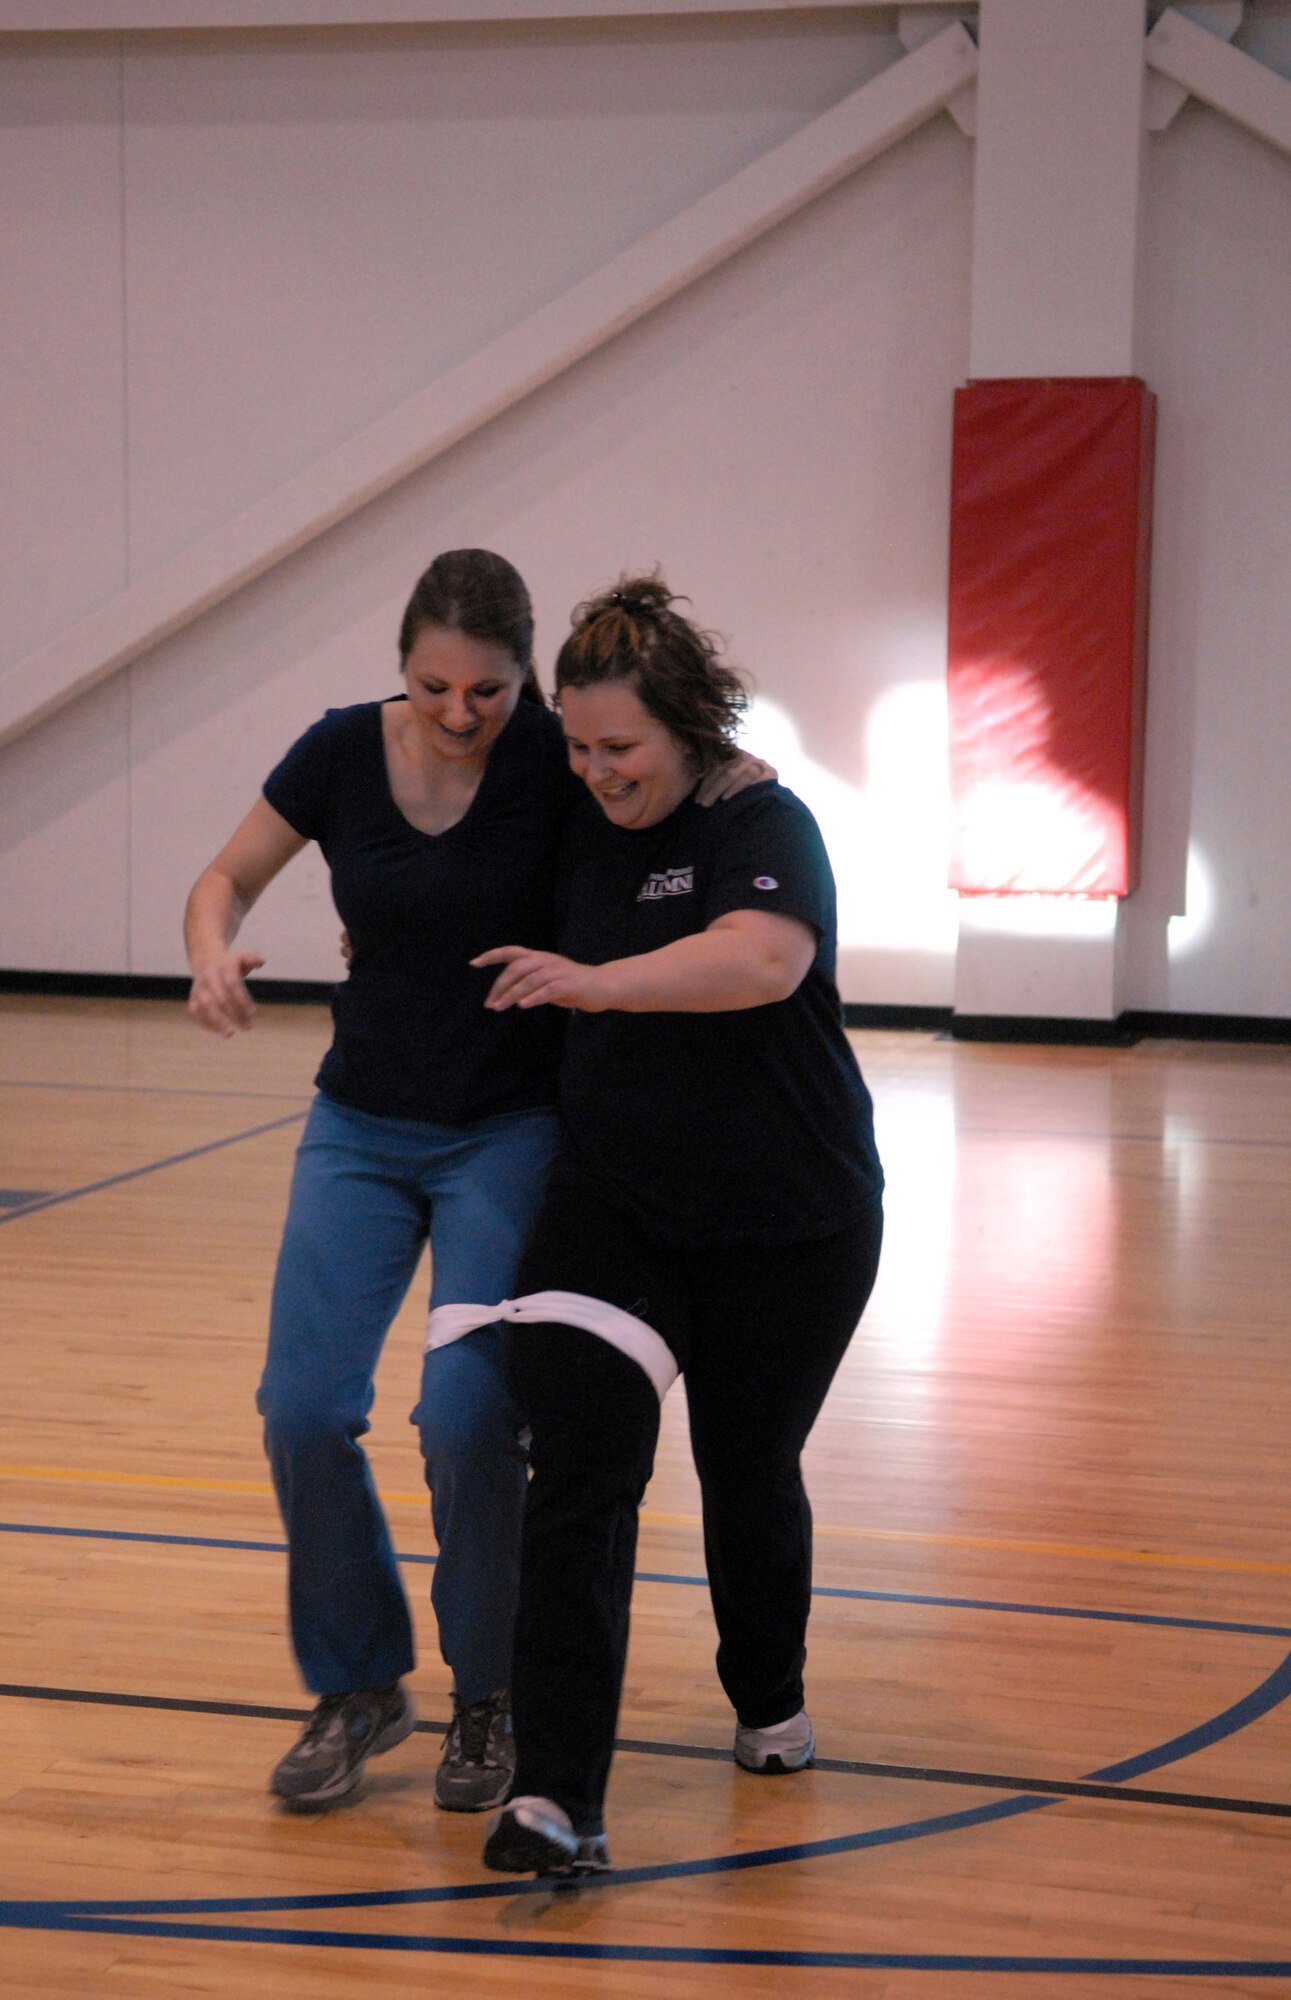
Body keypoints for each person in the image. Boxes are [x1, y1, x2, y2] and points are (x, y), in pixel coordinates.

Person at [183, 550, 770, 1817]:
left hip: (506, 1128)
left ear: (523, 681)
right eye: (434, 685)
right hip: (359, 1125)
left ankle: (490, 1692)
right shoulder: (338, 752)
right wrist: (209, 949)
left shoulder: (555, 757)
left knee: (464, 1417)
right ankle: (357, 1686)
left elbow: (657, 783)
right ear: (401, 667)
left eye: (489, 692)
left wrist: (735, 782)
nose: (460, 713)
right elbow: (223, 876)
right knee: (299, 1405)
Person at [457, 575, 884, 1876]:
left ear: (686, 723)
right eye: (576, 746)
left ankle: (766, 1701)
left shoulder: (762, 816)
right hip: (617, 1205)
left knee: (745, 1474)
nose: (594, 772)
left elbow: (760, 960)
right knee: (578, 1472)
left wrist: (596, 983)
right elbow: (433, 754)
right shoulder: (570, 815)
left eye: (619, 748)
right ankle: (553, 1800)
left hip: (787, 1214)